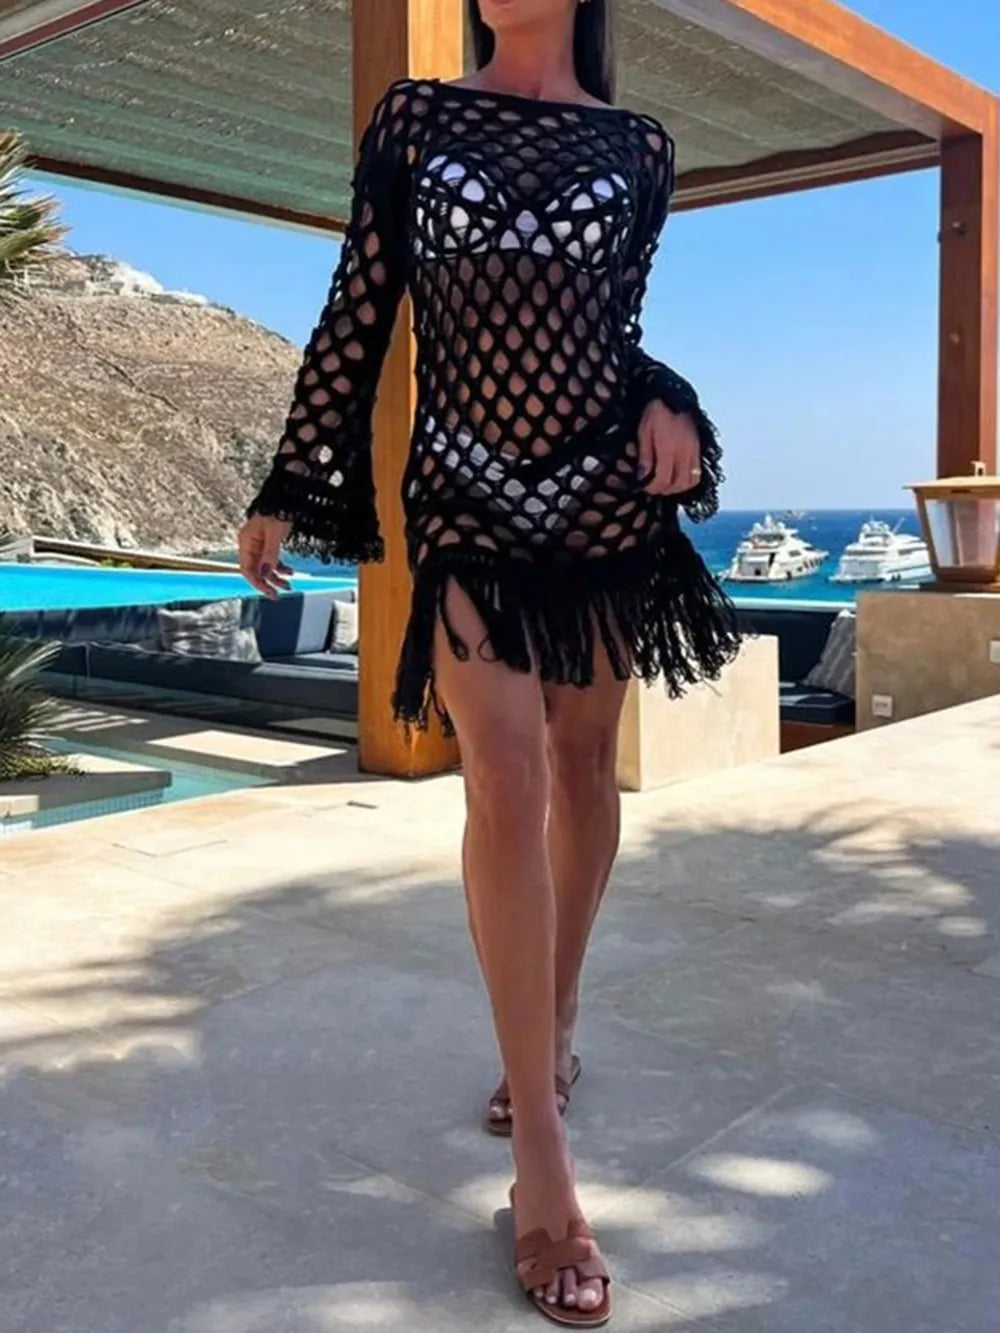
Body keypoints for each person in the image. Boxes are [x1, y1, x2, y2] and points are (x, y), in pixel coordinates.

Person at [239, 0, 738, 1323]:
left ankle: (554, 1029)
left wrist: (669, 398)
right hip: (461, 492)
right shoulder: (418, 119)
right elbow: (363, 302)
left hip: (602, 498)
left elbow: (607, 327)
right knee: (503, 777)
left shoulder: (639, 146)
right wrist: (294, 475)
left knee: (583, 763)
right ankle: (544, 1168)